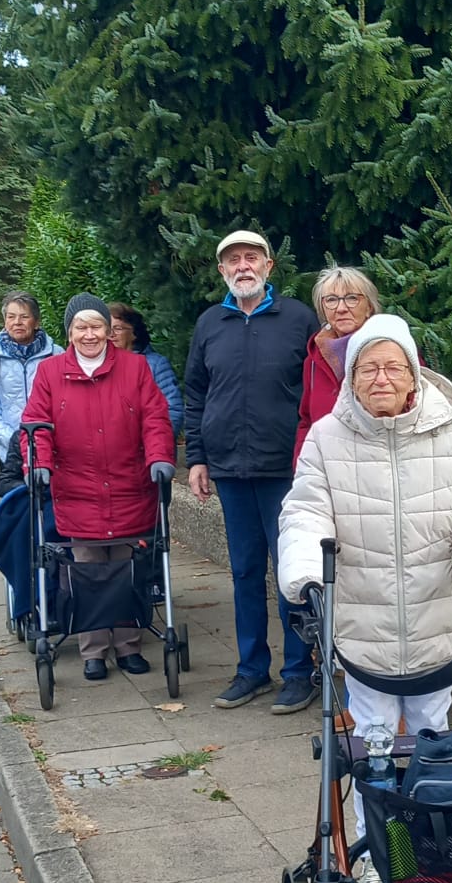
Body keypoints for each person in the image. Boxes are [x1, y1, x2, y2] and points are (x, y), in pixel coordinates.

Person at [279, 313, 452, 883]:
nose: (381, 378)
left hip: (439, 620)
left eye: (393, 367)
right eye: (368, 368)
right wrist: (303, 571)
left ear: (414, 374)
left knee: (433, 735)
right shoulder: (326, 439)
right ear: (351, 378)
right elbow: (305, 511)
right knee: (375, 742)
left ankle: (438, 844)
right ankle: (381, 859)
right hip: (362, 623)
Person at [184, 230, 318, 714]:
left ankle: (299, 673)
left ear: (268, 266)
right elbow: (195, 393)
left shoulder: (299, 319)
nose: (243, 266)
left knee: (291, 573)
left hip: (286, 469)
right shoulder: (210, 323)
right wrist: (197, 458)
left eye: (251, 258)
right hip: (229, 468)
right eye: (233, 260)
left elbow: (317, 389)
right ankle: (251, 670)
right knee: (243, 572)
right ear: (222, 270)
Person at [20, 294, 176, 680]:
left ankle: (128, 647)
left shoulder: (135, 368)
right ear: (69, 333)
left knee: (126, 570)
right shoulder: (50, 372)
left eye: (96, 326)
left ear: (109, 331)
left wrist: (159, 457)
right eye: (81, 327)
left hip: (128, 488)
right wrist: (38, 464)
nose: (89, 334)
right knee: (86, 571)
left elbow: (155, 418)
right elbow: (36, 425)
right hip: (77, 490)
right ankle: (93, 651)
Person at [0, 292, 64, 497]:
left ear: (36, 321)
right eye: (11, 316)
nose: (17, 322)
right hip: (11, 451)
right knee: (18, 508)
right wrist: (13, 439)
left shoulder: (56, 354)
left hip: (53, 449)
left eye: (24, 316)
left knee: (54, 506)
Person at [293, 267, 379, 466]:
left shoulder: (391, 350)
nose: (341, 308)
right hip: (325, 469)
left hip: (373, 468)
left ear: (369, 307)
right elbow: (307, 421)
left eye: (351, 298)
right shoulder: (314, 360)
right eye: (331, 300)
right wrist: (302, 465)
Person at [109, 304, 182, 433]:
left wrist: (153, 441)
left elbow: (173, 411)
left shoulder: (156, 365)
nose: (111, 334)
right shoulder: (96, 366)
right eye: (106, 329)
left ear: (134, 333)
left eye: (118, 328)